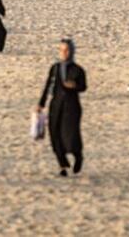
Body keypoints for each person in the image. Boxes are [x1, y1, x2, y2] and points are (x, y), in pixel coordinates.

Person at [37, 39, 86, 177]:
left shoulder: (77, 70)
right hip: (56, 106)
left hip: (71, 108)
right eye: (61, 50)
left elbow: (83, 86)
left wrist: (74, 86)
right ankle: (62, 166)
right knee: (55, 134)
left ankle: (78, 157)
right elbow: (48, 86)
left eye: (67, 50)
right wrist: (41, 104)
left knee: (71, 136)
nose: (64, 53)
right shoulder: (55, 68)